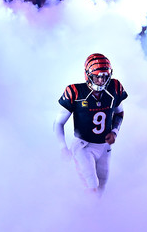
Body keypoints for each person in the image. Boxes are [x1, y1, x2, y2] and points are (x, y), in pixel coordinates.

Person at [53, 53, 127, 195]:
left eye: (104, 76)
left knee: (102, 184)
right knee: (91, 183)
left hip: (104, 146)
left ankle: (98, 212)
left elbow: (119, 113)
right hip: (83, 145)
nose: (100, 80)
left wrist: (115, 131)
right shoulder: (75, 92)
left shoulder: (115, 87)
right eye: (96, 76)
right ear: (88, 75)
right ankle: (87, 214)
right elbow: (58, 123)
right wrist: (63, 147)